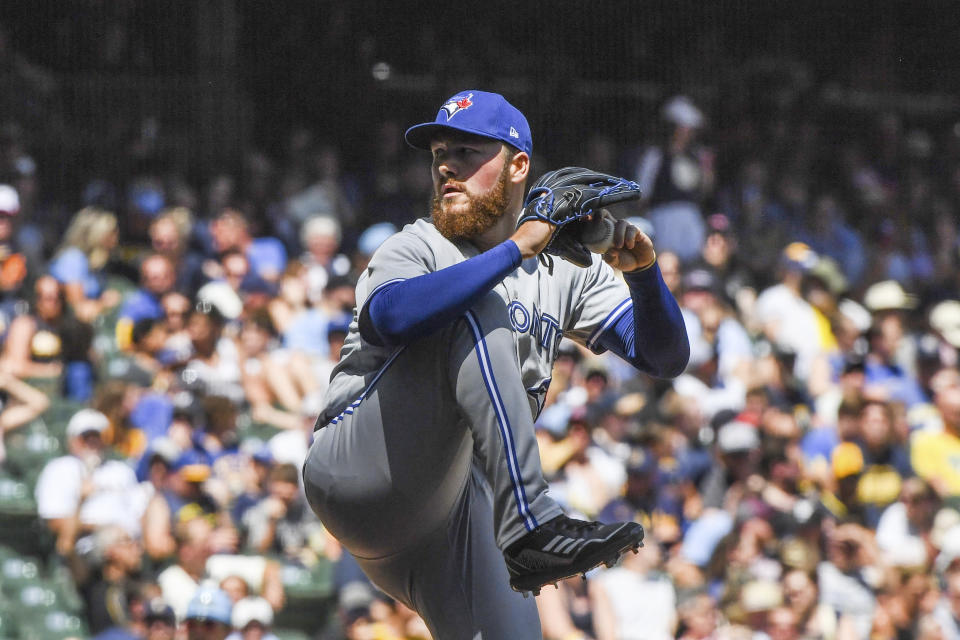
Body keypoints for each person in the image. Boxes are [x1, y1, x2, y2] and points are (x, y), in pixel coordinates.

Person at [302, 89, 689, 639]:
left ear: (518, 167)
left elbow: (665, 356)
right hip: (364, 464)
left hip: (453, 512)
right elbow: (391, 318)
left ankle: (527, 529)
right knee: (474, 306)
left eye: (466, 152)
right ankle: (533, 524)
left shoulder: (566, 268)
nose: (446, 167)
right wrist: (518, 247)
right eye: (439, 153)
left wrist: (644, 274)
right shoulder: (417, 245)